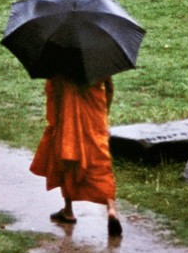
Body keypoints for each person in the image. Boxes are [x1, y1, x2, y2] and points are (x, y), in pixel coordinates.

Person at [29, 74, 122, 237]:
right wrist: (104, 112)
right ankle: (111, 208)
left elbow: (52, 93)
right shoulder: (97, 61)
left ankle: (68, 210)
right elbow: (109, 89)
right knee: (100, 164)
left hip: (68, 123)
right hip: (95, 120)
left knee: (67, 158)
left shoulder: (59, 65)